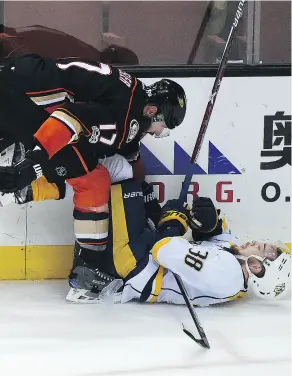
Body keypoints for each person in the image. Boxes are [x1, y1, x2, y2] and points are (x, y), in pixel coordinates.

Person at [0, 54, 186, 262]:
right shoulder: (125, 117)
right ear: (152, 111)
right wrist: (30, 167)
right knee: (92, 180)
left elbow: (131, 161)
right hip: (25, 100)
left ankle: (19, 174)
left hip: (19, 81)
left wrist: (153, 208)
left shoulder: (134, 95)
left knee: (81, 161)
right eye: (163, 127)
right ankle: (88, 267)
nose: (158, 133)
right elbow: (69, 118)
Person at [66, 177, 291, 305]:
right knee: (142, 190)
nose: (256, 241)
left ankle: (91, 263)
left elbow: (162, 249)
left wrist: (174, 224)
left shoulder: (225, 274)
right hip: (145, 256)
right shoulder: (235, 265)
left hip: (136, 266)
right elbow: (221, 235)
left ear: (256, 265)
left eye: (261, 247)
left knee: (124, 182)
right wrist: (209, 222)